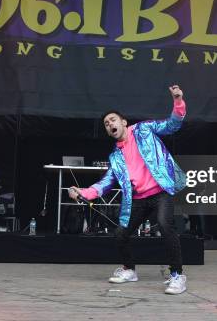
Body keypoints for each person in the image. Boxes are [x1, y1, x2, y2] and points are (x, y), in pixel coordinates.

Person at [69, 85, 188, 294]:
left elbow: (172, 125)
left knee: (164, 225)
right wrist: (83, 192)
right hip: (139, 199)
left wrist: (178, 101)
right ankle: (129, 270)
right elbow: (105, 183)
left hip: (160, 192)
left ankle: (177, 275)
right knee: (121, 233)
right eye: (106, 124)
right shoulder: (115, 156)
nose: (109, 125)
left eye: (112, 120)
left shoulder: (143, 129)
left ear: (124, 122)